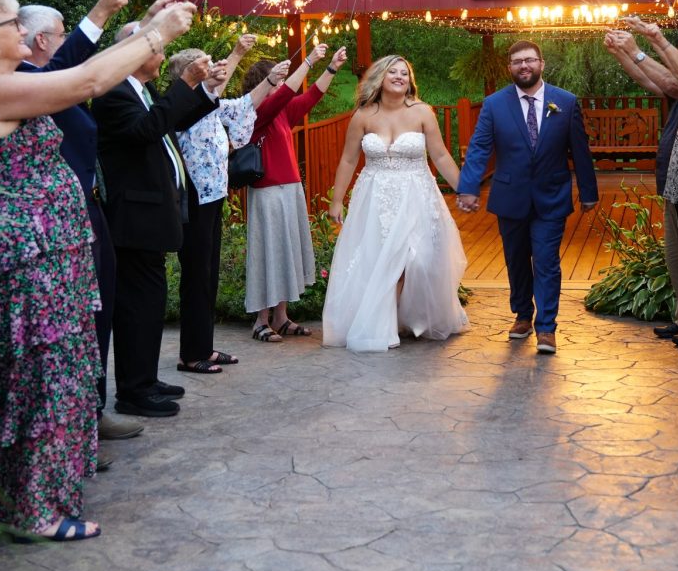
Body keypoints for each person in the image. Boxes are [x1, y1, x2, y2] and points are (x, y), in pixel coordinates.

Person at [0, 0, 193, 541]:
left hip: (50, 256)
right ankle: (37, 512)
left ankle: (15, 504)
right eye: (11, 24)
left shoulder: (11, 82)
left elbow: (85, 68)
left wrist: (143, 24)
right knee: (42, 382)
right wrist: (155, 36)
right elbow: (89, 79)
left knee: (43, 380)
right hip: (31, 260)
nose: (23, 31)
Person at [17, 0, 157, 445]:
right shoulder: (27, 82)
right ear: (42, 40)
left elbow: (91, 66)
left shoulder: (49, 80)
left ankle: (91, 412)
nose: (62, 41)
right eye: (59, 33)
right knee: (77, 321)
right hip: (56, 218)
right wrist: (99, 11)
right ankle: (77, 427)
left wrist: (150, 27)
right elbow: (84, 71)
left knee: (97, 314)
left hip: (87, 206)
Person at [93, 24, 228, 419]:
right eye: (156, 49)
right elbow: (148, 129)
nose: (163, 57)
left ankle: (145, 380)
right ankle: (133, 392)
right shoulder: (114, 94)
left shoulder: (140, 90)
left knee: (150, 304)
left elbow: (171, 122)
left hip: (151, 212)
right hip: (133, 215)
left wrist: (202, 91)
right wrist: (184, 82)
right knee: (137, 307)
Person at [456, 40, 598, 354]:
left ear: (541, 63)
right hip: (510, 196)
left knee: (547, 261)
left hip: (552, 195)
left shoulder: (566, 101)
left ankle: (546, 328)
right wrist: (468, 186)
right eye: (518, 61)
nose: (524, 66)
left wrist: (588, 191)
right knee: (517, 260)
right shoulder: (494, 104)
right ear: (510, 67)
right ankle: (522, 314)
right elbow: (480, 147)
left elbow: (580, 150)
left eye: (530, 60)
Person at [322, 55, 470, 351]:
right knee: (378, 257)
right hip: (374, 196)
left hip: (415, 194)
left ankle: (410, 315)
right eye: (394, 72)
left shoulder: (422, 112)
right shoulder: (363, 115)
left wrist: (465, 190)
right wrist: (337, 200)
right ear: (380, 77)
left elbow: (440, 155)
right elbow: (349, 159)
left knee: (414, 259)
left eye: (405, 72)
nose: (400, 76)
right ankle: (383, 323)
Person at [170, 37, 284, 373]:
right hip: (193, 197)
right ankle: (191, 354)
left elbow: (246, 104)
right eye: (205, 68)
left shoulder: (212, 107)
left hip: (213, 196)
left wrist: (271, 80)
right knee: (196, 275)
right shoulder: (183, 108)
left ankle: (203, 346)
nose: (215, 72)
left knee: (209, 274)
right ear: (188, 76)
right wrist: (235, 54)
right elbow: (213, 87)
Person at [603, 21, 678, 348]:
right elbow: (649, 79)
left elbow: (669, 80)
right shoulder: (677, 92)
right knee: (675, 258)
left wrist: (636, 49)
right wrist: (621, 54)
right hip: (674, 183)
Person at [243, 43, 349, 342]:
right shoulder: (256, 112)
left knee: (285, 251)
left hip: (290, 190)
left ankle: (281, 317)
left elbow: (311, 97)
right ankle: (261, 320)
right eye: (276, 80)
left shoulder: (281, 112)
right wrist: (309, 61)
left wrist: (331, 68)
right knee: (268, 253)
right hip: (267, 192)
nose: (282, 85)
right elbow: (289, 93)